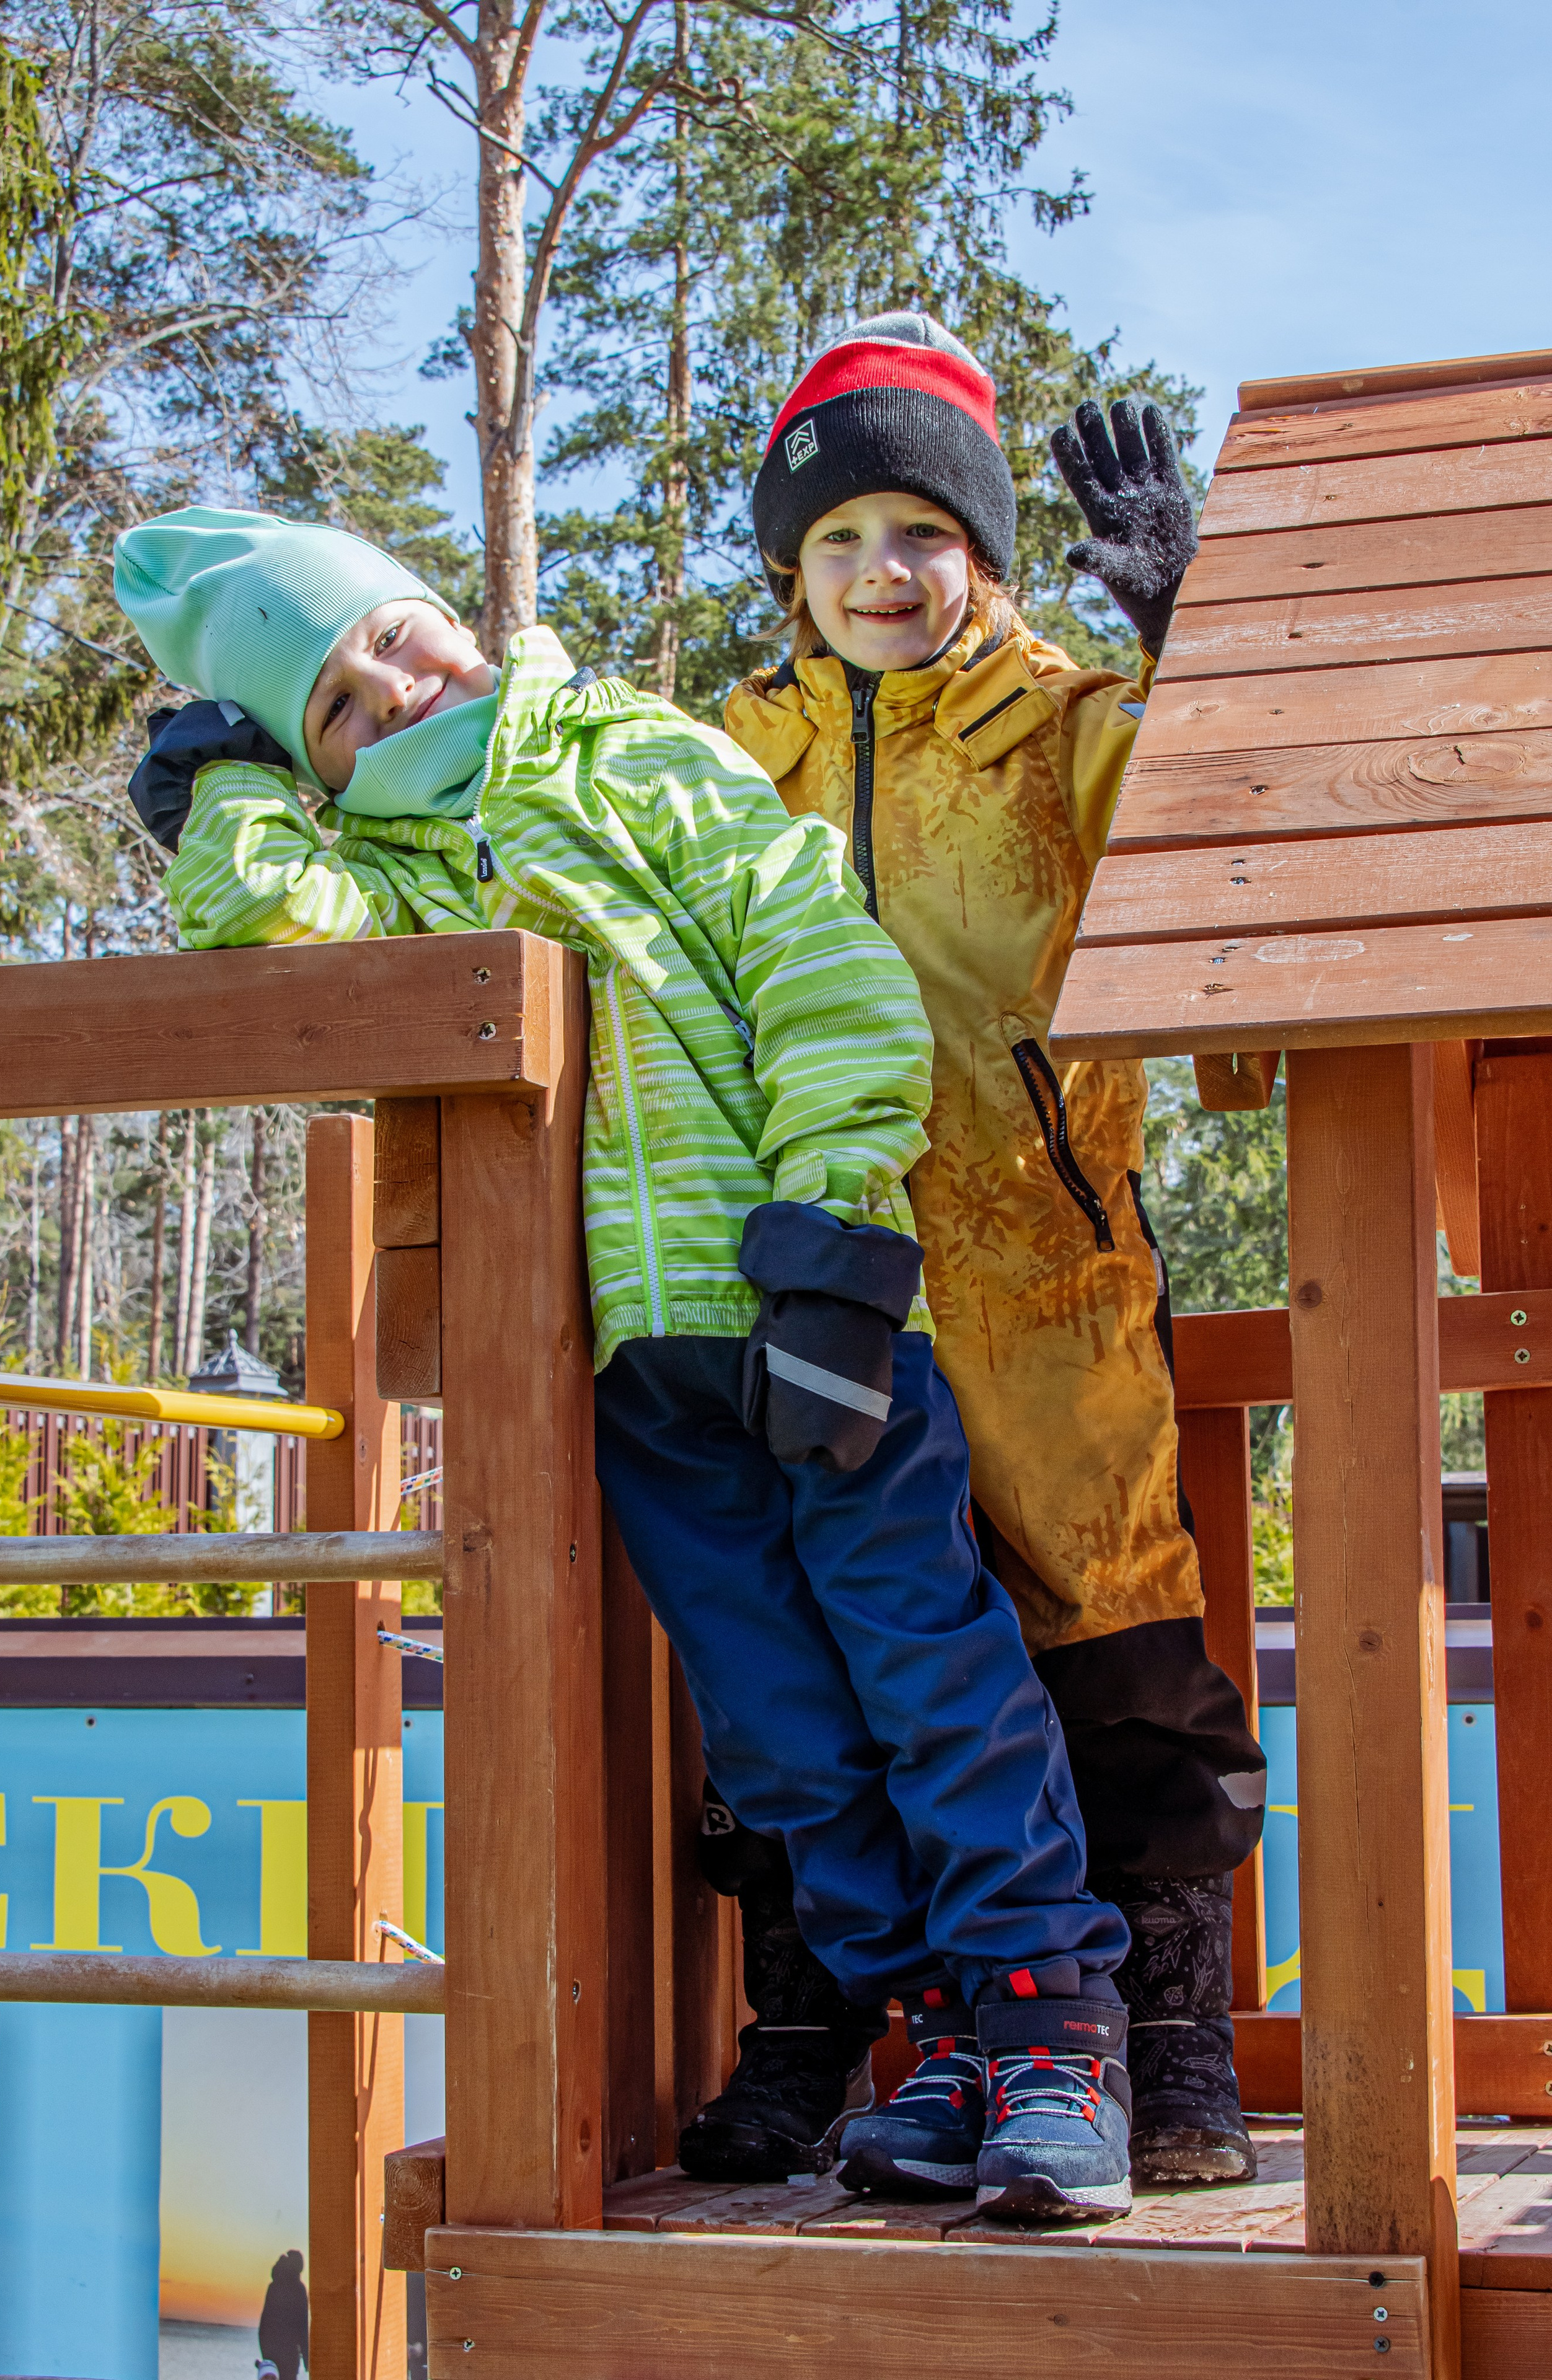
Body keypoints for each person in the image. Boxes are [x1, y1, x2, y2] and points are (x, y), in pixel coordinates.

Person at [113, 505, 1138, 2221]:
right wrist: (223, 789)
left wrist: (834, 1225)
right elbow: (267, 928)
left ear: (454, 613)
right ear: (317, 766)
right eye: (337, 709)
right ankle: (938, 2038)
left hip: (807, 1305)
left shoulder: (627, 753)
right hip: (641, 1371)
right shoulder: (398, 870)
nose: (392, 686)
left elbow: (811, 952)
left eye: (396, 634)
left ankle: (1053, 2035)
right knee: (787, 1730)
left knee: (930, 1675)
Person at [690, 312, 1269, 2196]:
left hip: (1038, 1265)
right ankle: (824, 2022)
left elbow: (1236, 822)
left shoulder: (1070, 725)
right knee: (819, 1656)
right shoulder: (719, 755)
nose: (881, 574)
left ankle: (1168, 2032)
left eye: (922, 534)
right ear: (790, 568)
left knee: (1100, 1633)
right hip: (812, 1267)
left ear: (989, 551)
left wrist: (1194, 628)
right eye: (838, 540)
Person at [257, 2249, 307, 2380]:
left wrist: (266, 2354)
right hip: (289, 2354)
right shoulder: (299, 2289)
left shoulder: (274, 2287)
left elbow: (264, 2324)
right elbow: (302, 2326)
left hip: (272, 2352)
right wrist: (307, 2359)